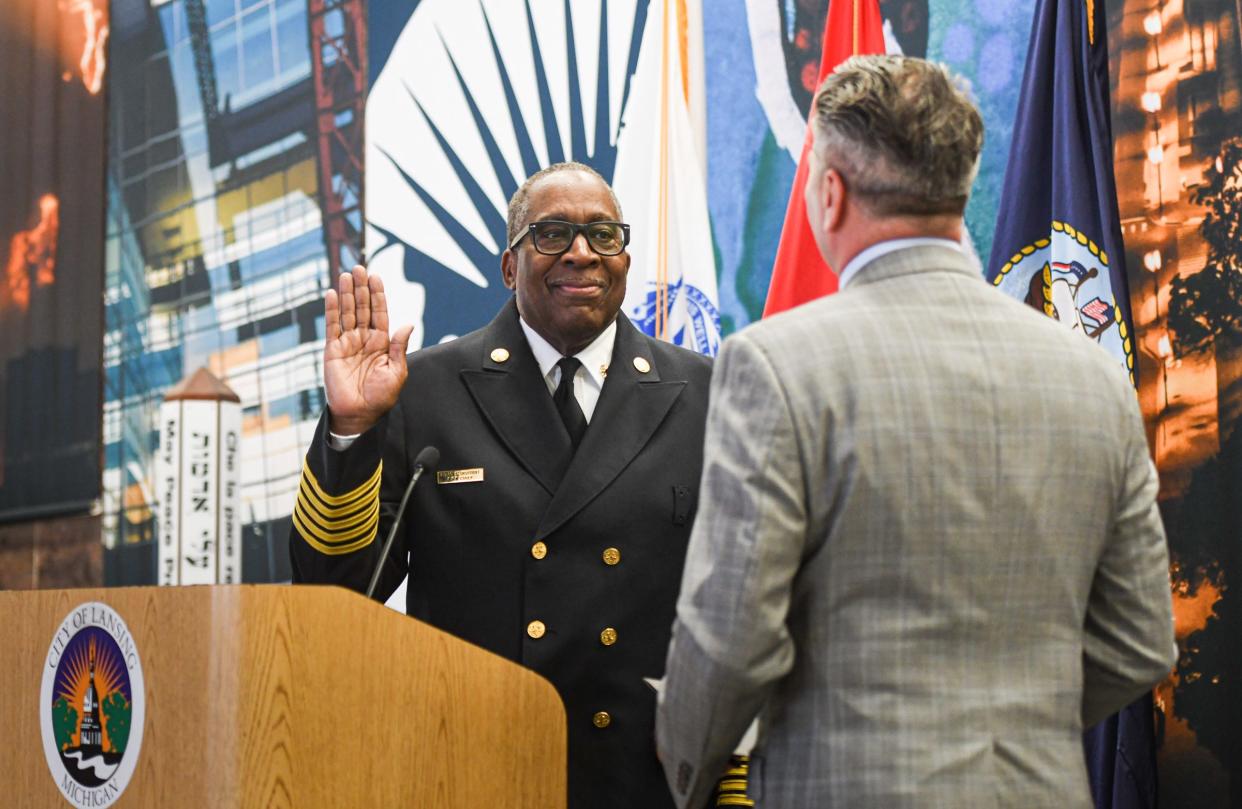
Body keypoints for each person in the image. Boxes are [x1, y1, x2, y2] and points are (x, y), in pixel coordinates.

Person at [655, 55, 1176, 808]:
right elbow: (1140, 639)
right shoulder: (1093, 376)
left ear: (831, 192)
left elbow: (730, 637)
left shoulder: (775, 365)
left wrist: (681, 770)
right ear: (958, 187)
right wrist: (1011, 723)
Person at [290, 162, 712, 809]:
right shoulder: (421, 389)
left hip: (645, 782)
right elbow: (338, 590)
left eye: (603, 234)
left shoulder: (703, 391)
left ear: (624, 260)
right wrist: (351, 425)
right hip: (475, 771)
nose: (580, 252)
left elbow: (735, 605)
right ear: (510, 266)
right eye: (552, 233)